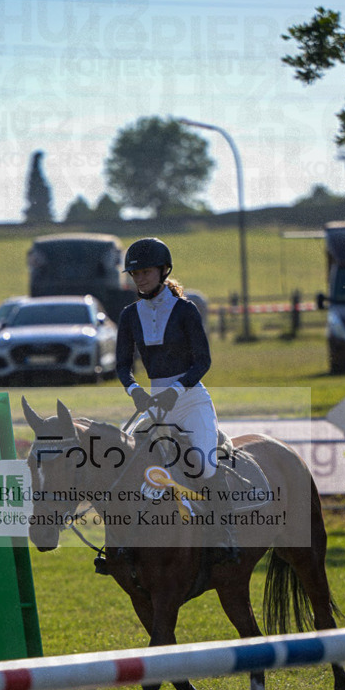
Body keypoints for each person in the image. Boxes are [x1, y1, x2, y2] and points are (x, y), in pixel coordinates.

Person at [115, 237, 243, 558]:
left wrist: (175, 390)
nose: (140, 278)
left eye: (145, 272)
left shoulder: (185, 310)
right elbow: (121, 365)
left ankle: (223, 535)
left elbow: (203, 362)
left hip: (189, 401)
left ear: (162, 271)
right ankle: (126, 543)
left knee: (205, 466)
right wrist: (136, 393)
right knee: (128, 465)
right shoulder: (130, 315)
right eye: (135, 273)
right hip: (155, 406)